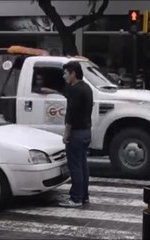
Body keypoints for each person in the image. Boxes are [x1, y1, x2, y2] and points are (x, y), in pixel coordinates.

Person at [59, 61, 93, 208]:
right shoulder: (87, 88)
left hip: (76, 133)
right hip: (86, 131)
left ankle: (76, 198)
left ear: (73, 73)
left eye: (66, 73)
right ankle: (84, 196)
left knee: (75, 167)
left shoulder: (75, 90)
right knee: (83, 165)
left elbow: (71, 114)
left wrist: (66, 134)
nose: (64, 76)